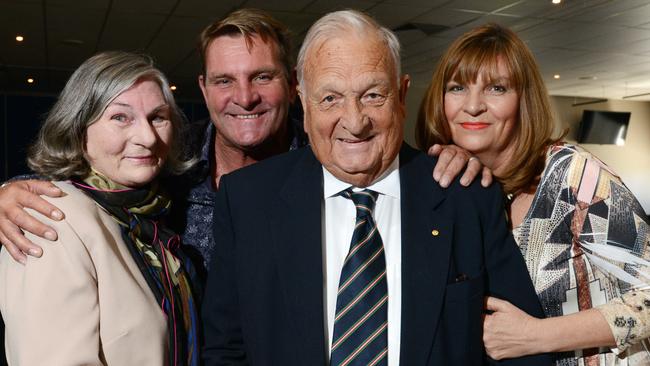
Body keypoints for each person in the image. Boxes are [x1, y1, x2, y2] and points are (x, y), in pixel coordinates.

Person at [0, 8, 486, 278]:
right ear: (205, 89)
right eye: (225, 81)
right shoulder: (169, 161)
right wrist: (7, 194)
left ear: (293, 88)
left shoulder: (336, 162)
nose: (245, 98)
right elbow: (86, 183)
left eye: (263, 77)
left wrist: (457, 154)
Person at [201, 10, 552, 365]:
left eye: (372, 95)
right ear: (303, 104)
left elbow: (523, 353)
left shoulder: (466, 196)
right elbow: (226, 351)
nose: (354, 122)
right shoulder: (247, 201)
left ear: (401, 95)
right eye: (330, 99)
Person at [416, 23, 650, 365]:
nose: (473, 105)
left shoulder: (574, 176)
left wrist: (536, 335)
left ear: (523, 101)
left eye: (496, 88)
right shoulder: (459, 190)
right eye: (457, 88)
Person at [0, 51, 200, 365]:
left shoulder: (148, 214)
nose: (147, 137)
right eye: (120, 117)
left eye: (157, 117)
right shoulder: (52, 218)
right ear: (79, 129)